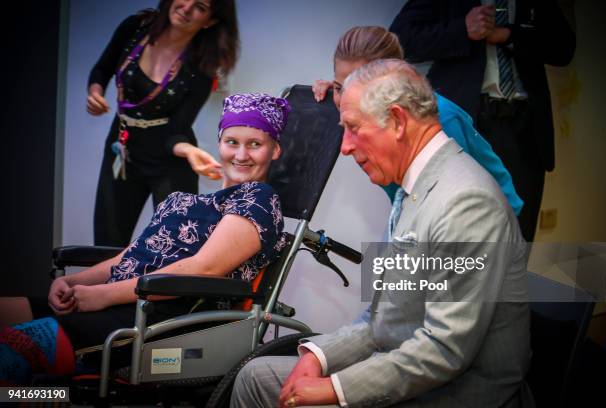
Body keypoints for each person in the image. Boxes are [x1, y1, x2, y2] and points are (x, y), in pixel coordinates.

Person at [231, 60, 532, 407]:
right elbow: (381, 318)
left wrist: (335, 389)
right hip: (406, 360)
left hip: (457, 393)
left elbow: (444, 350)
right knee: (254, 377)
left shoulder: (466, 203)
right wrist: (317, 356)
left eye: (353, 128)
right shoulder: (414, 188)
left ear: (399, 121)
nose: (344, 147)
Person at [0, 93, 290, 385]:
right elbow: (132, 254)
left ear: (275, 150)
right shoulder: (193, 201)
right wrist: (75, 282)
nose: (241, 155)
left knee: (13, 350)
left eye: (255, 144)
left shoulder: (259, 200)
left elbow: (205, 269)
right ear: (219, 144)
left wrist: (102, 295)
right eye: (232, 142)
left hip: (159, 317)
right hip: (122, 299)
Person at [389, 0, 576, 241]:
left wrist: (511, 35)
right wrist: (461, 29)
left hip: (524, 127)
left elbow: (564, 47)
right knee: (454, 230)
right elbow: (400, 38)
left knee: (517, 233)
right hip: (465, 124)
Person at [312, 26, 523, 215]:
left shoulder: (442, 120)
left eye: (357, 87)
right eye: (340, 87)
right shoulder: (360, 110)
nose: (345, 98)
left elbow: (461, 202)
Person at [88, 0, 240, 247]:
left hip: (169, 159)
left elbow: (176, 129)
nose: (186, 7)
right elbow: (102, 69)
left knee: (175, 246)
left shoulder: (202, 66)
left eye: (200, 6)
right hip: (122, 148)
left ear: (210, 21)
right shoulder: (136, 27)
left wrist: (190, 151)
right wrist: (95, 92)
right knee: (107, 243)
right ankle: (102, 288)